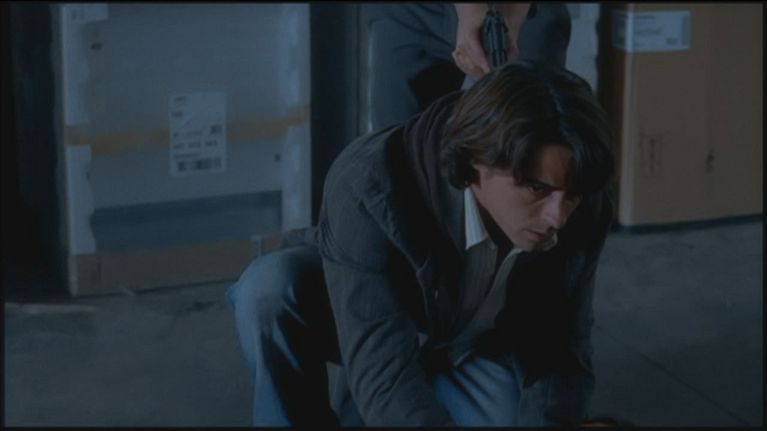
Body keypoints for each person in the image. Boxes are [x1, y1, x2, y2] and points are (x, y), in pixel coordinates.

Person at [227, 60, 616, 426]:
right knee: (268, 288)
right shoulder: (369, 182)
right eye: (536, 189)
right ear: (477, 162)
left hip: (479, 345)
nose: (558, 218)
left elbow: (562, 351)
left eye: (572, 195)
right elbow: (383, 374)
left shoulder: (583, 200)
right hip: (378, 322)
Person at [364, 3, 572, 130]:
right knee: (392, 150)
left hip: (525, 10)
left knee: (533, 129)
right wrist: (472, 11)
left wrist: (511, 17)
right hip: (409, 11)